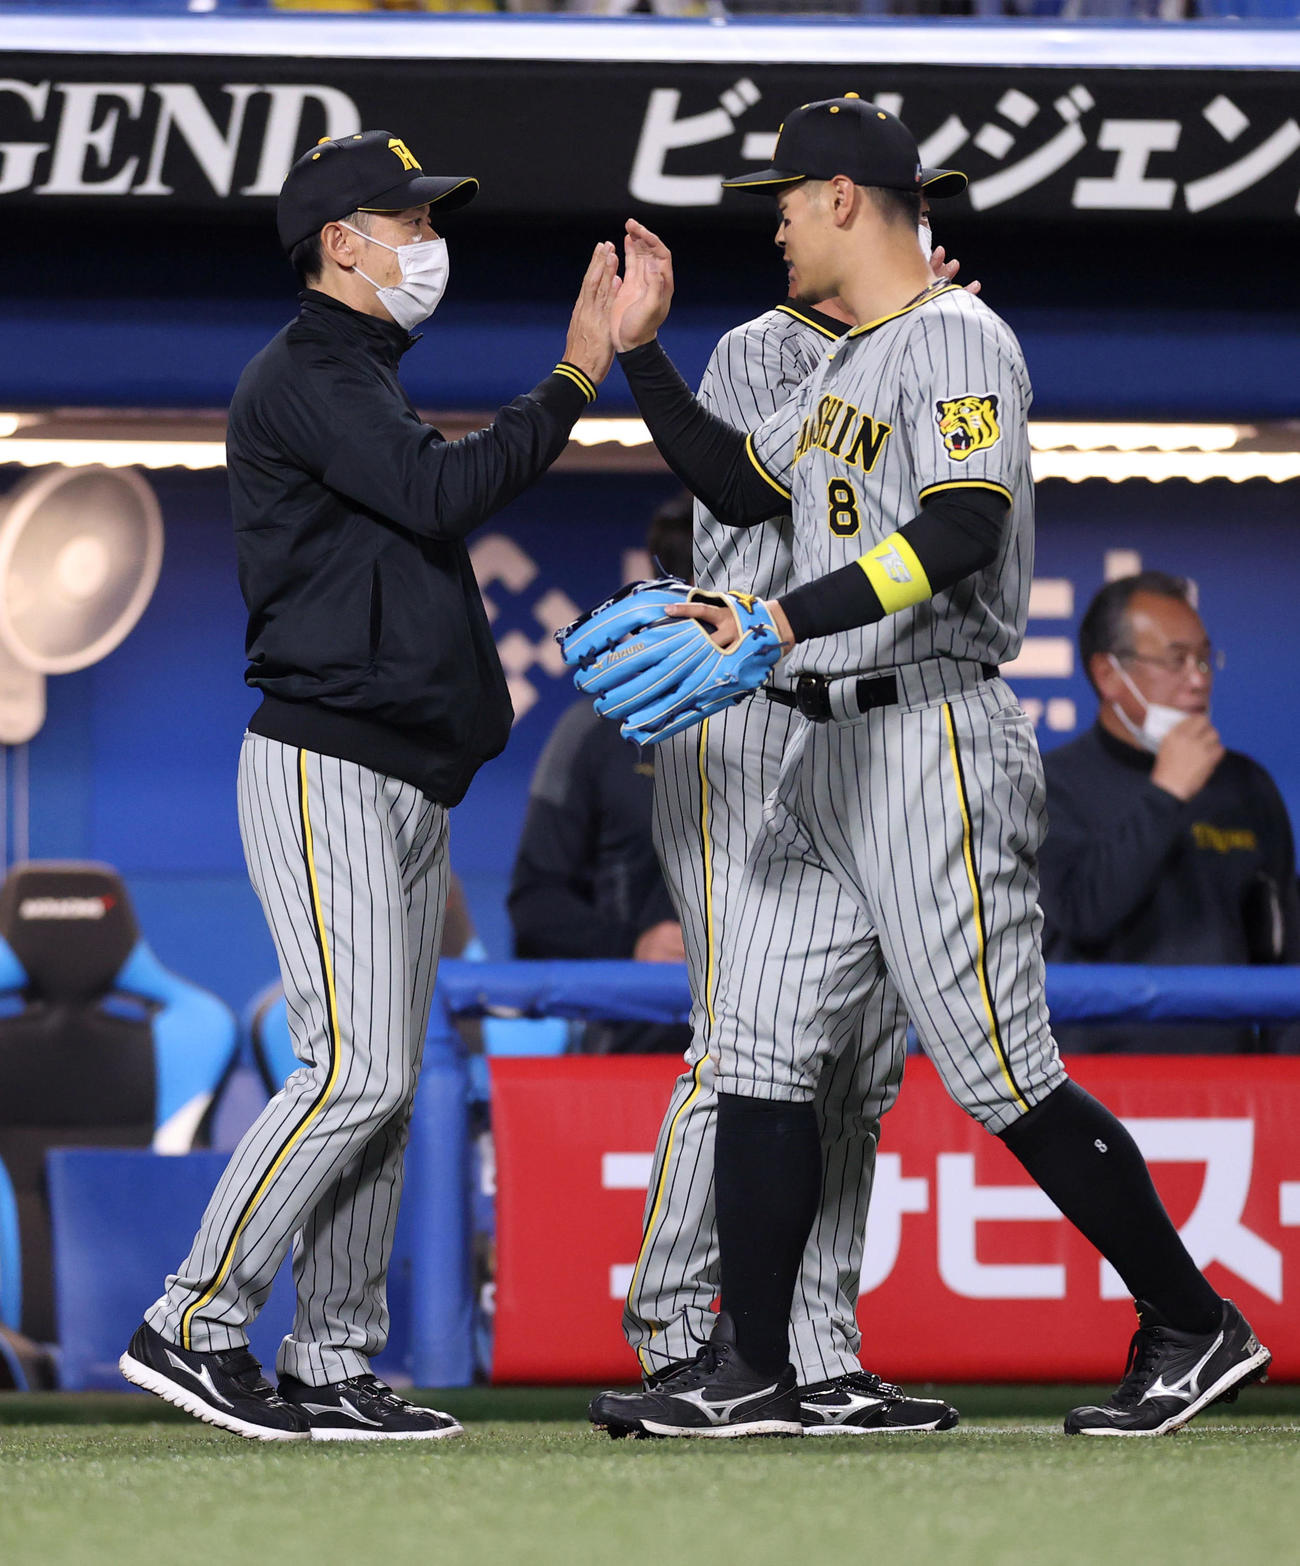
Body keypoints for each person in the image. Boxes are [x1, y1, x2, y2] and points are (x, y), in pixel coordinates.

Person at [587, 96, 1270, 1440]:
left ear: (845, 197)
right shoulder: (852, 361)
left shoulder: (960, 336)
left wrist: (782, 618)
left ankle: (1194, 1321)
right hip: (830, 743)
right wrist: (647, 361)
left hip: (930, 729)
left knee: (999, 1063)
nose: (775, 222)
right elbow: (739, 487)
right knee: (767, 1048)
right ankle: (754, 1363)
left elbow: (962, 527)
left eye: (788, 198)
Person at [120, 128, 617, 1441]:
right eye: (404, 222)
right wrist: (576, 372)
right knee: (349, 1068)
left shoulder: (365, 375)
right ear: (340, 243)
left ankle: (330, 1360)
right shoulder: (306, 372)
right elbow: (442, 491)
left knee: (385, 1085)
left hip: (400, 777)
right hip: (323, 762)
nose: (425, 242)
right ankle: (191, 1320)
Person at [622, 237, 974, 1430]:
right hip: (749, 722)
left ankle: (812, 1351)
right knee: (747, 1043)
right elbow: (741, 490)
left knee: (859, 1066)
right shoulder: (763, 348)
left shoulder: (934, 353)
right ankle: (684, 1332)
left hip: (865, 731)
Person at [1040, 570, 1300, 1052]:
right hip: (1093, 1089)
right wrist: (1168, 795)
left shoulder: (1248, 785)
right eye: (1177, 660)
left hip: (1230, 1089)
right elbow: (1084, 915)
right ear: (1108, 674)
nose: (1198, 680)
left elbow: (1284, 953)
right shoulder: (1050, 786)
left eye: (1204, 660)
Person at [508, 493, 694, 1055]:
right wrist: (635, 944)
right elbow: (534, 904)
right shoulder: (594, 732)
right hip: (634, 1052)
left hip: (789, 1041)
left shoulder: (800, 722)